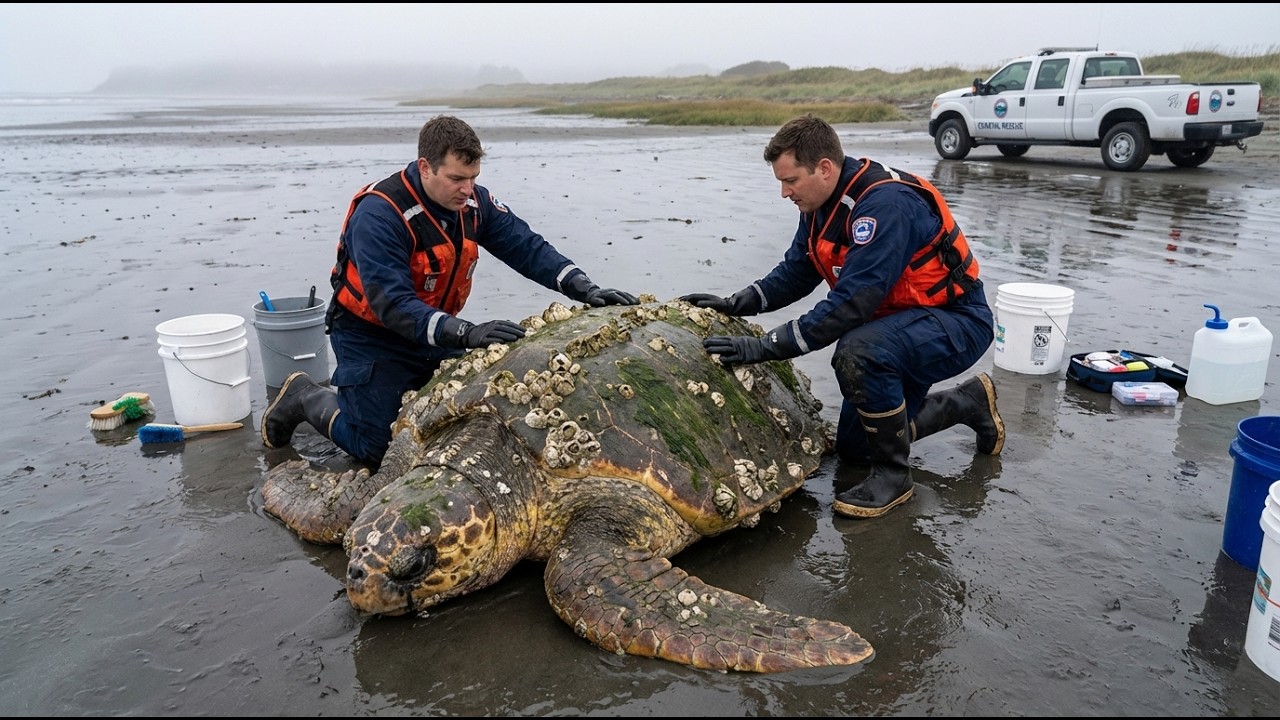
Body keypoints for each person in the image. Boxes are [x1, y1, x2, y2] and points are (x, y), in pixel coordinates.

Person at [261, 114, 638, 466]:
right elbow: (391, 304)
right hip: (371, 335)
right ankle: (307, 396)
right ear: (425, 167)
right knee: (377, 448)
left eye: (473, 177)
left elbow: (526, 246)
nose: (467, 189)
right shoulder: (380, 216)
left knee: (454, 423)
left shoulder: (474, 204)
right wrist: (466, 333)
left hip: (435, 329)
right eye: (457, 178)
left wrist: (583, 287)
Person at [680, 114, 1003, 520]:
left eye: (790, 180)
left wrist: (763, 347)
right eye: (781, 182)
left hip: (955, 321)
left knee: (859, 351)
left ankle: (894, 477)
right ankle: (968, 402)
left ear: (825, 168)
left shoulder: (885, 206)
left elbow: (852, 303)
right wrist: (738, 302)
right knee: (855, 449)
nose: (784, 192)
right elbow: (798, 270)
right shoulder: (818, 204)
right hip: (900, 328)